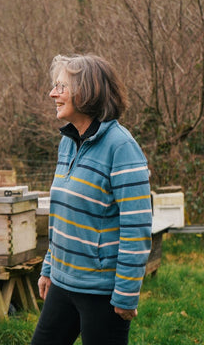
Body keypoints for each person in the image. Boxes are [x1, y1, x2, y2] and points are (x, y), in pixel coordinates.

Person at [31, 54, 152, 345]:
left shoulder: (122, 147)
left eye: (61, 87)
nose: (52, 94)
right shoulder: (68, 142)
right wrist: (49, 267)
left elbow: (137, 228)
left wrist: (125, 294)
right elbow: (63, 216)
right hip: (62, 283)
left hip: (101, 293)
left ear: (87, 92)